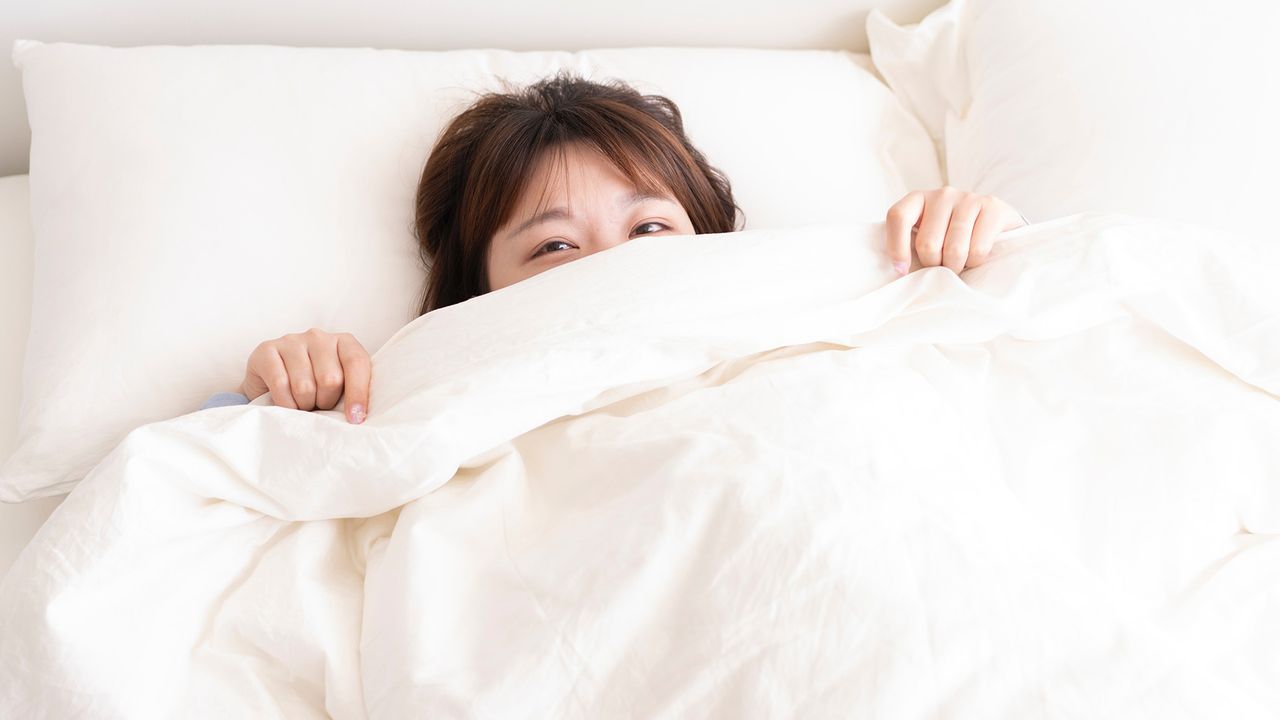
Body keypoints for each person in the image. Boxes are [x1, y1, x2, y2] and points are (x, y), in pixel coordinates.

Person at [200, 73, 1028, 422]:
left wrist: (970, 243)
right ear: (476, 294)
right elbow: (202, 491)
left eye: (651, 228)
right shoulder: (427, 378)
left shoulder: (802, 313)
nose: (618, 268)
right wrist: (279, 397)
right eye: (555, 246)